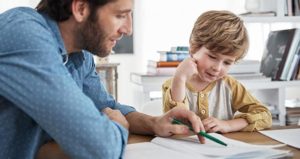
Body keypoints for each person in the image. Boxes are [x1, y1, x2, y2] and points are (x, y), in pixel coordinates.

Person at [0, 0, 205, 158]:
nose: (128, 29)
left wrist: (154, 123)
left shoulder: (80, 55)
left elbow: (106, 106)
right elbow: (101, 148)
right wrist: (119, 126)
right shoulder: (24, 33)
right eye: (120, 15)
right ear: (81, 8)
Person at [162, 10, 272, 134]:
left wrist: (229, 125)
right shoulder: (174, 84)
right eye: (212, 57)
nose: (218, 68)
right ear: (193, 48)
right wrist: (180, 78)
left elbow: (265, 115)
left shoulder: (230, 86)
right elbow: (174, 121)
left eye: (227, 63)